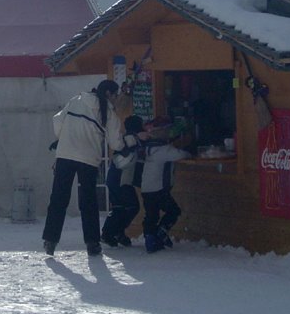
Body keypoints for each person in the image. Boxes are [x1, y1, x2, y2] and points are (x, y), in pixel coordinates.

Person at [41, 79, 124, 257]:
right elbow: (116, 144)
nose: (117, 99)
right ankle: (92, 243)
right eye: (116, 95)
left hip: (65, 155)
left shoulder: (76, 100)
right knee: (88, 202)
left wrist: (63, 138)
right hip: (88, 159)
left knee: (58, 199)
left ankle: (50, 240)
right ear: (109, 94)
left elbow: (57, 120)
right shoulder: (108, 112)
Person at [141, 120, 191, 253]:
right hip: (159, 189)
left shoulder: (148, 149)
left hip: (146, 188)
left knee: (151, 215)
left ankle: (149, 237)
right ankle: (160, 232)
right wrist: (190, 151)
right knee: (173, 211)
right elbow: (181, 155)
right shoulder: (164, 150)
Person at [101, 115, 145, 248]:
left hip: (115, 178)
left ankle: (115, 232)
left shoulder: (124, 138)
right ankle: (110, 233)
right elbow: (132, 150)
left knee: (119, 207)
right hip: (121, 179)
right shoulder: (130, 138)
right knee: (131, 206)